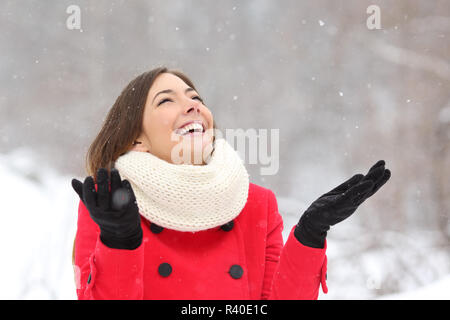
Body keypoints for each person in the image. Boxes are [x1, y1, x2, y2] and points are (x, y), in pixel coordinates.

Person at [71, 66, 391, 300]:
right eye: (166, 101)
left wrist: (310, 233)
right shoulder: (108, 206)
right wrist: (120, 241)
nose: (193, 105)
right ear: (136, 139)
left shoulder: (256, 204)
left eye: (195, 97)